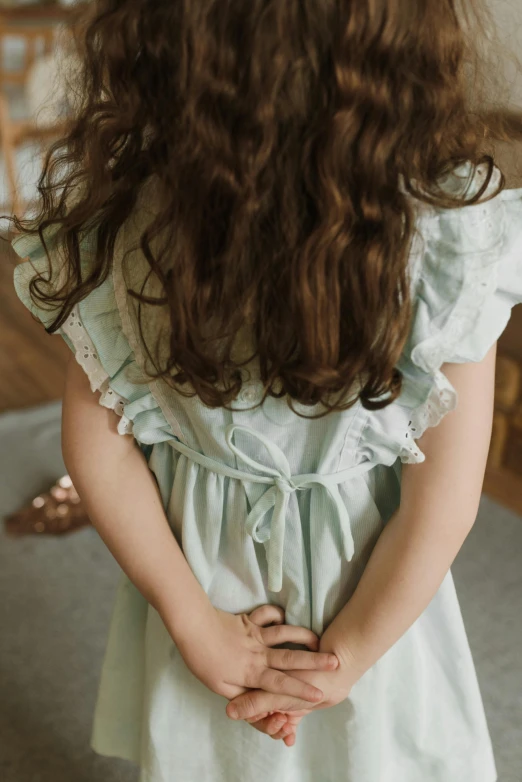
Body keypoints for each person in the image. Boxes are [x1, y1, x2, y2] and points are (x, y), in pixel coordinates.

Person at [9, 1, 522, 780]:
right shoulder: (451, 234)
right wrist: (343, 660)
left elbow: (97, 451)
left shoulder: (124, 217)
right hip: (374, 601)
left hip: (221, 595)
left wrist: (194, 621)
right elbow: (447, 493)